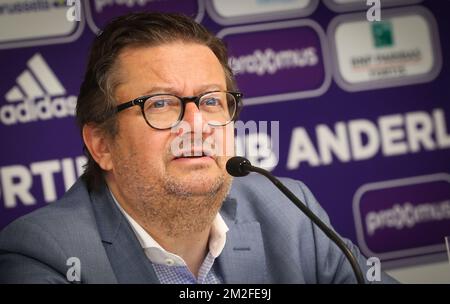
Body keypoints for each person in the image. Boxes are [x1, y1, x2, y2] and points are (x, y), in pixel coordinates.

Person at [0, 12, 396, 284]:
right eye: (159, 103)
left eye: (210, 101)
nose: (197, 125)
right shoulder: (44, 254)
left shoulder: (291, 213)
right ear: (101, 144)